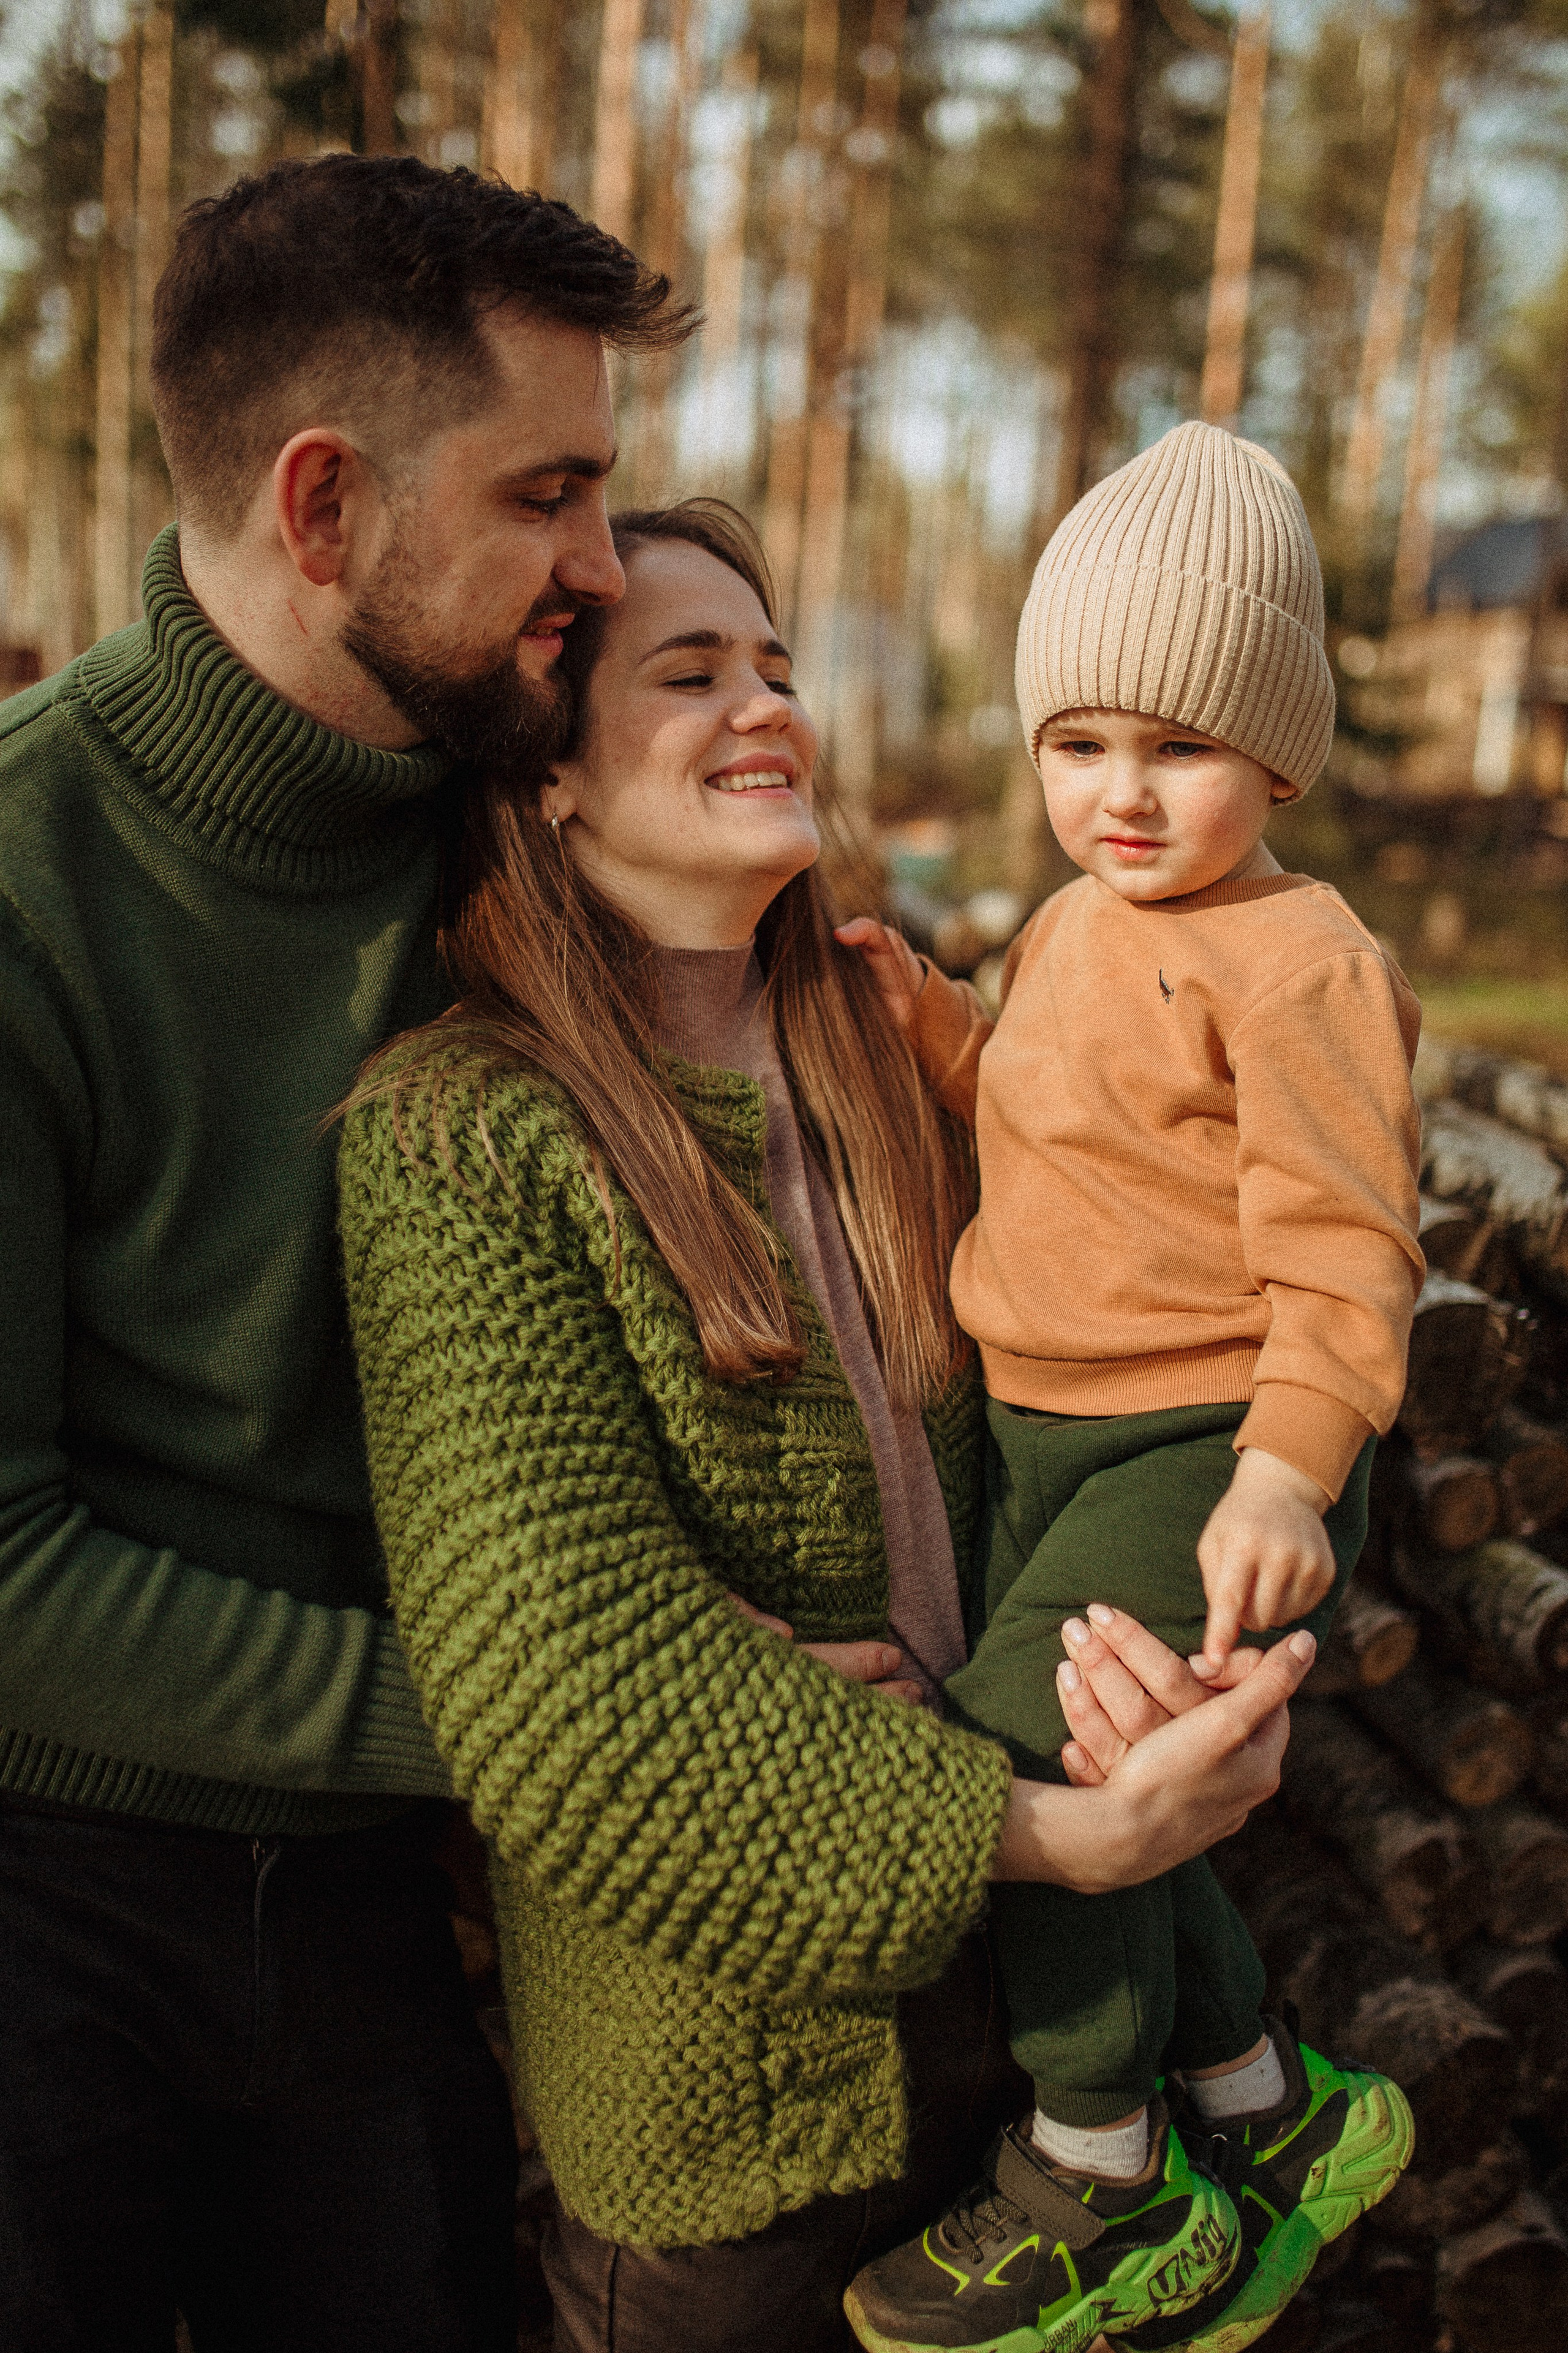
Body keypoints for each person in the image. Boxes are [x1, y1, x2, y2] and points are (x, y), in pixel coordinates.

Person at [337, 496, 1322, 2353]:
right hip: (734, 2125)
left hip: (1030, 2078)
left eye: (779, 665)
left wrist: (1198, 1668)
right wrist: (1060, 1834)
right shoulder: (460, 1138)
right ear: (546, 785)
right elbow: (572, 1690)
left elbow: (1200, 1356)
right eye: (691, 673)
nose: (767, 704)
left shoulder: (918, 1067)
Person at [0, 153, 693, 2353]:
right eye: (548, 494)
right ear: (323, 508)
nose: (599, 563)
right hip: (49, 1906)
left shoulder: (545, 825)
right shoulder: (23, 887)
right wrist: (569, 1727)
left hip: (408, 1895)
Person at [838, 422, 1423, 2353]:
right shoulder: (1077, 922)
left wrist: (1283, 1473)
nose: (1124, 794)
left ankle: (1100, 2172)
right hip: (1043, 1432)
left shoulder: (1298, 957)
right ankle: (1265, 2106)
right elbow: (1043, 1102)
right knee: (1140, 1787)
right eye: (1078, 745)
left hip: (1206, 1439)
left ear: (1275, 748)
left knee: (1034, 1765)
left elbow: (1348, 1246)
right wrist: (933, 1028)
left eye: (1176, 746)